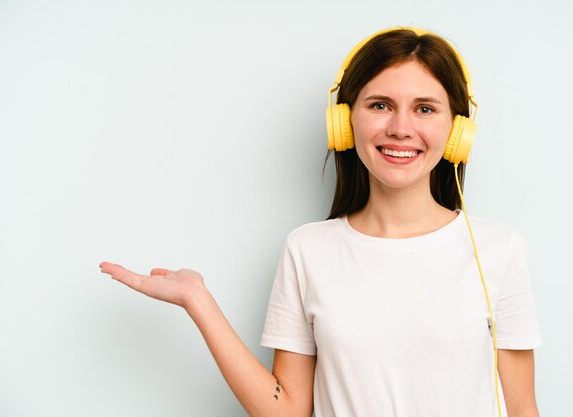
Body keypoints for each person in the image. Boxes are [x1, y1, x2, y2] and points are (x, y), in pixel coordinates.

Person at [100, 27, 542, 417]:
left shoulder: (498, 251)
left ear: (457, 130)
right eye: (380, 105)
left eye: (425, 108)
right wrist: (198, 301)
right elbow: (286, 410)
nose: (401, 128)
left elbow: (522, 409)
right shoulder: (307, 249)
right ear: (344, 123)